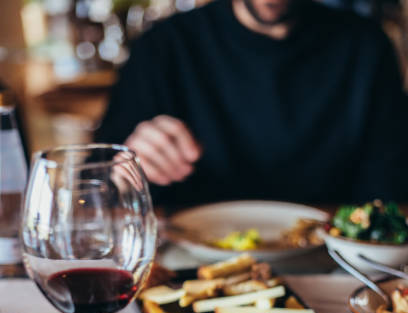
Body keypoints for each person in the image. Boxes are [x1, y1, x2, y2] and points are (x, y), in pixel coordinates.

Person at [96, 0, 408, 212]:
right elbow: (100, 184)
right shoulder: (165, 46)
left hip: (334, 267)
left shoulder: (366, 46)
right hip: (190, 266)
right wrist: (129, 170)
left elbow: (389, 193)